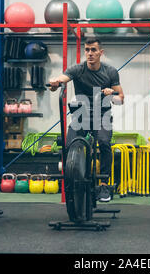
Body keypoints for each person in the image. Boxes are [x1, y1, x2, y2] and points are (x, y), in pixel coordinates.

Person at [49, 37, 124, 202]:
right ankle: (73, 180)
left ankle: (103, 184)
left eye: (93, 50)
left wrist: (111, 94)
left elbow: (121, 99)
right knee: (69, 145)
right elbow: (62, 79)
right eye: (87, 50)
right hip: (81, 113)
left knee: (104, 143)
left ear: (100, 53)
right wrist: (55, 82)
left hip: (102, 113)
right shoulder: (77, 69)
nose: (90, 54)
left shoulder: (110, 72)